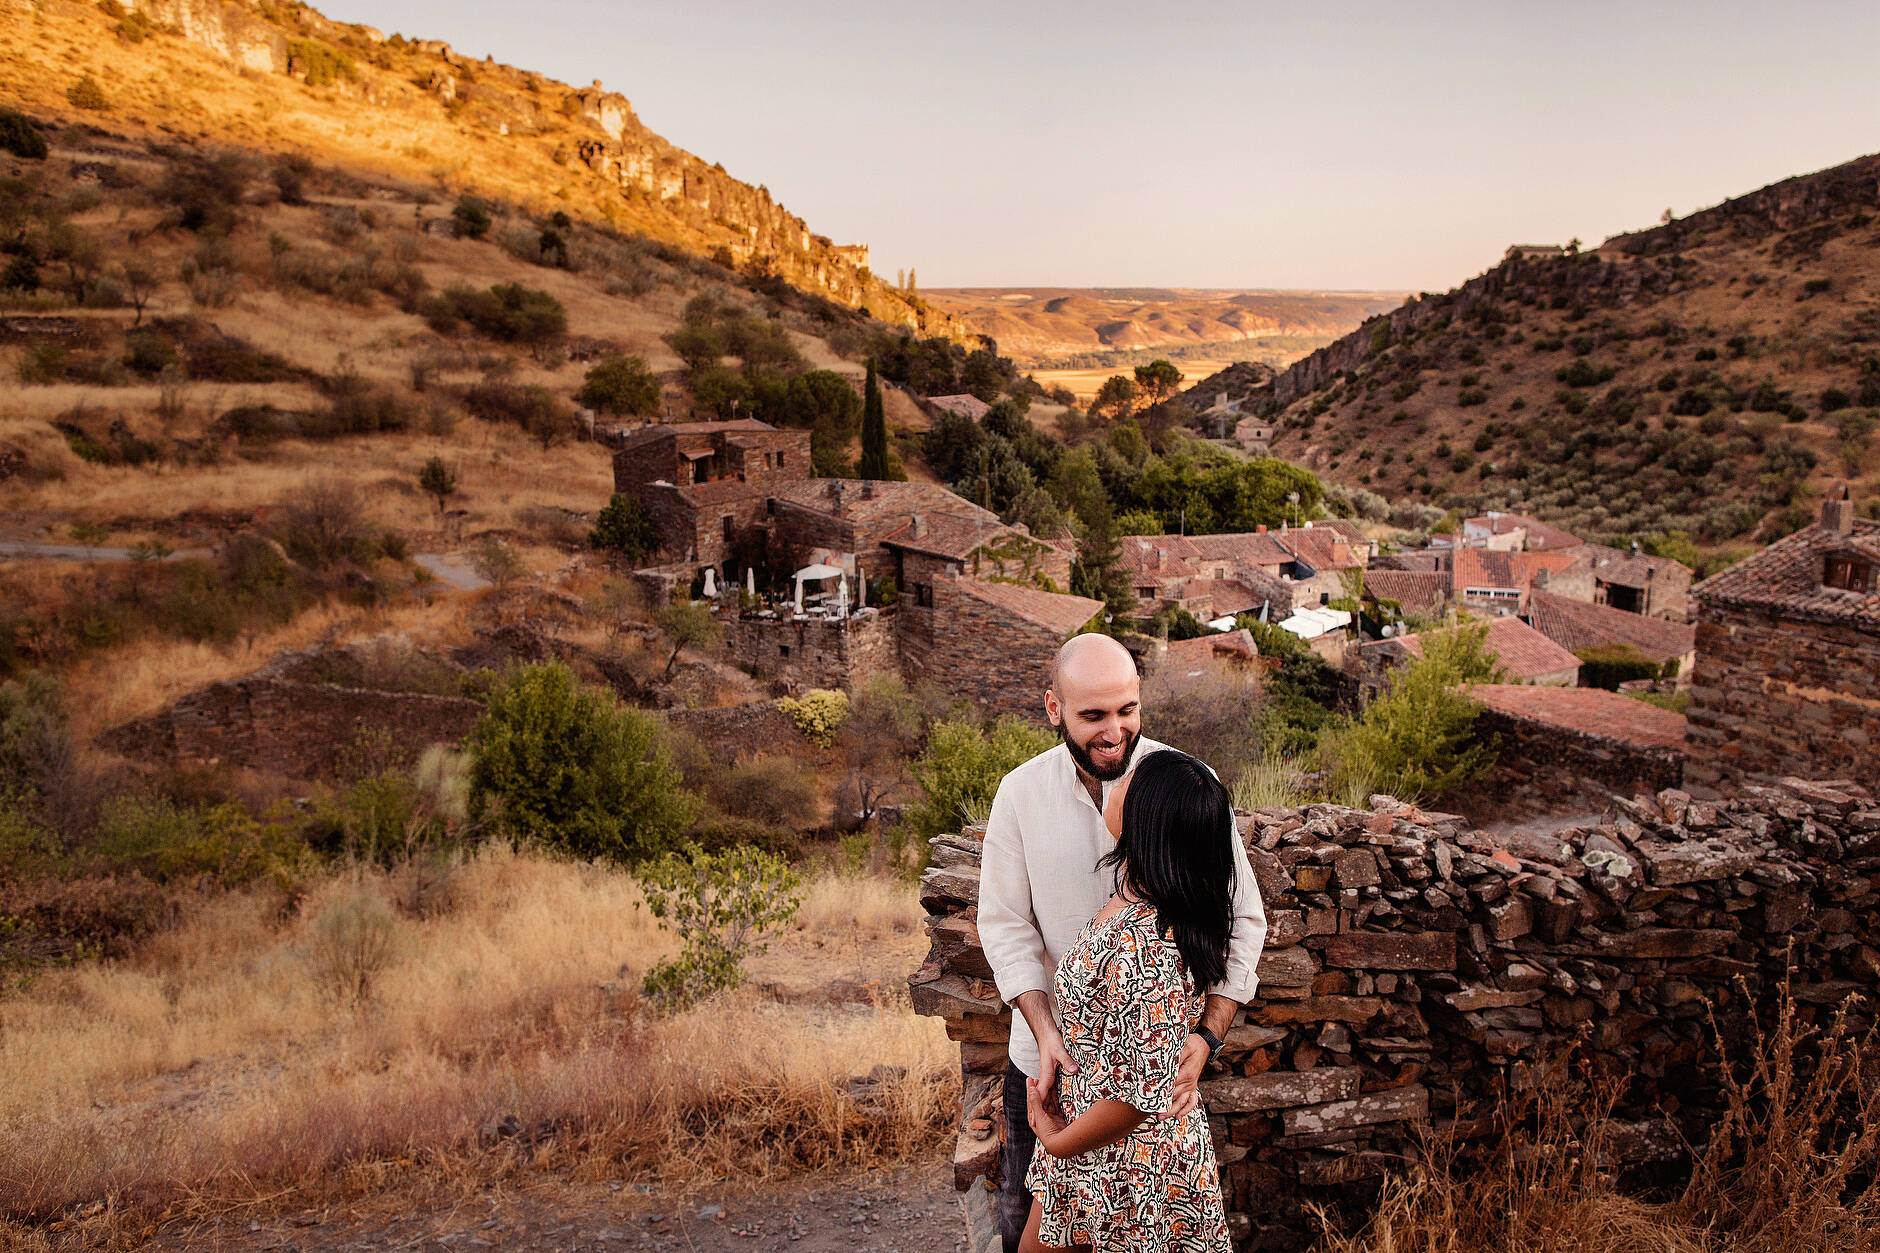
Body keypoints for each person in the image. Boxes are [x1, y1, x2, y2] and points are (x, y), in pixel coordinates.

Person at [979, 633, 1266, 1253]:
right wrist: (1045, 1031)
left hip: (1144, 1100)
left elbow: (1243, 919)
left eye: (1128, 710)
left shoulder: (1182, 784)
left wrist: (1208, 1033)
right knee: (1017, 1222)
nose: (1116, 731)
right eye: (1094, 715)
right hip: (1043, 1074)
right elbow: (1004, 927)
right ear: (1053, 709)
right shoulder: (1019, 794)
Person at [1019, 750, 1235, 1252]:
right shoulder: (1139, 900)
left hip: (1132, 1172)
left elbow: (1141, 1099)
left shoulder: (1144, 952)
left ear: (1147, 821)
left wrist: (1056, 1142)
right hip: (1091, 1151)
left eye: (1132, 781)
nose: (1119, 781)